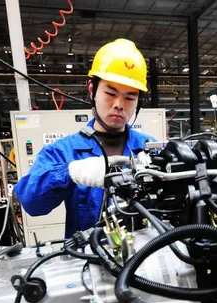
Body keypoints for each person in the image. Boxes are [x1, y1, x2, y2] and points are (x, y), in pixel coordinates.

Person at [14, 39, 156, 238]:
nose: (119, 104)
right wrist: (70, 173)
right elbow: (31, 203)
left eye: (130, 97)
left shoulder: (150, 148)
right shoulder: (64, 151)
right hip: (90, 260)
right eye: (110, 93)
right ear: (92, 89)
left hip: (147, 258)